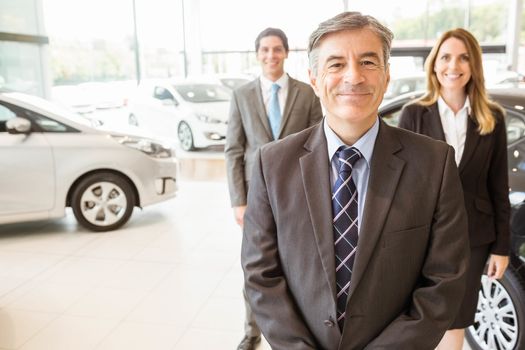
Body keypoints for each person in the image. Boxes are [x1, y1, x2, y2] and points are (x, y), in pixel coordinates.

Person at [241, 12, 470, 349]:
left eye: (368, 62)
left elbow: (444, 282)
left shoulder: (434, 163)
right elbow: (261, 277)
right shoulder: (273, 164)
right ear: (315, 80)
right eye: (335, 64)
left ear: (387, 76)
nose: (353, 76)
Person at [398, 28, 510, 350]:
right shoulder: (414, 114)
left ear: (473, 65)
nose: (453, 65)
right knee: (423, 318)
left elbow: (498, 186)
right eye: (445, 56)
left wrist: (501, 247)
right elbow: (402, 187)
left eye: (463, 57)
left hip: (474, 239)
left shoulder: (493, 119)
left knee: (457, 320)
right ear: (434, 64)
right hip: (423, 238)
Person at [225, 27, 323, 350]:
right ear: (257, 54)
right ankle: (252, 332)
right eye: (265, 50)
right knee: (257, 267)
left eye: (277, 49)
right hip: (256, 196)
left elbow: (318, 145)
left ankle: (295, 332)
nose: (271, 56)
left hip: (299, 193)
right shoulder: (241, 95)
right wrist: (238, 200)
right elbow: (234, 150)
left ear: (286, 53)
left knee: (298, 265)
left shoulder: (307, 94)